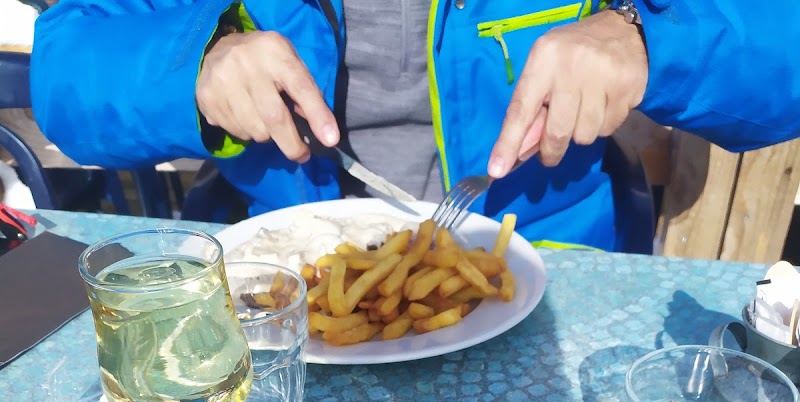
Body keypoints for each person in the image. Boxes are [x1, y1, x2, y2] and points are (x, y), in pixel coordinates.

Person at [29, 0, 800, 250]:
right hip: (281, 277)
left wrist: (646, 41)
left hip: (547, 262)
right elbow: (68, 63)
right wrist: (193, 67)